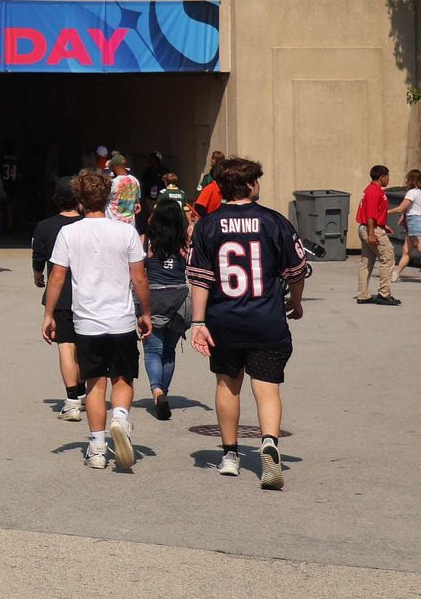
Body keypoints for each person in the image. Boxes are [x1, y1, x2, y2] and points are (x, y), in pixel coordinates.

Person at [186, 156, 307, 489]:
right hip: (266, 318)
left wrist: (198, 321)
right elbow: (296, 270)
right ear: (252, 184)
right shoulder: (274, 221)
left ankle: (229, 454)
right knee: (267, 389)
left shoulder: (208, 225)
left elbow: (200, 278)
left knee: (228, 385)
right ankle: (269, 442)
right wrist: (294, 302)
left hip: (224, 320)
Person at [43, 170, 151, 472]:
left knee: (94, 384)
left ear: (79, 201)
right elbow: (139, 276)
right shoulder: (126, 232)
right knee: (123, 378)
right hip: (120, 320)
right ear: (108, 198)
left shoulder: (69, 233)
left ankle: (97, 446)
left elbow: (57, 277)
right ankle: (119, 417)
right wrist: (144, 312)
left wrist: (49, 314)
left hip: (86, 321)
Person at [31, 176, 83, 419]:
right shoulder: (88, 224)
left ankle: (72, 399)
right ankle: (84, 392)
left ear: (56, 199)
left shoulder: (45, 226)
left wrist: (38, 275)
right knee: (84, 345)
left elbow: (38, 257)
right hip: (87, 294)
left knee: (65, 344)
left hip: (61, 295)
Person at [142, 199, 192, 420]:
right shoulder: (185, 242)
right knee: (169, 352)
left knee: (153, 351)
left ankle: (156, 390)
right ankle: (165, 392)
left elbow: (138, 273)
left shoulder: (147, 241)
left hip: (154, 297)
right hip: (180, 298)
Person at [355, 164, 400, 304]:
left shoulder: (371, 190)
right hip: (371, 229)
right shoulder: (374, 191)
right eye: (387, 176)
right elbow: (370, 216)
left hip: (369, 227)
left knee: (366, 261)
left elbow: (374, 213)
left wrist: (383, 225)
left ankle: (363, 294)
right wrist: (372, 234)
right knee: (388, 257)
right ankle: (384, 293)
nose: (388, 179)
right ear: (382, 177)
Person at [390, 169, 421, 280]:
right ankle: (396, 274)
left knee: (419, 247)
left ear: (412, 180)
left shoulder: (412, 192)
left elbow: (401, 208)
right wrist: (404, 216)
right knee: (406, 250)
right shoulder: (419, 192)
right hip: (414, 222)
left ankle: (395, 273)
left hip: (415, 223)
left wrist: (385, 212)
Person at [106, 152, 142, 227]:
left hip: (114, 224)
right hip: (130, 225)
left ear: (114, 166)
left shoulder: (113, 183)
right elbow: (137, 201)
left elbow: (103, 199)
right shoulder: (135, 181)